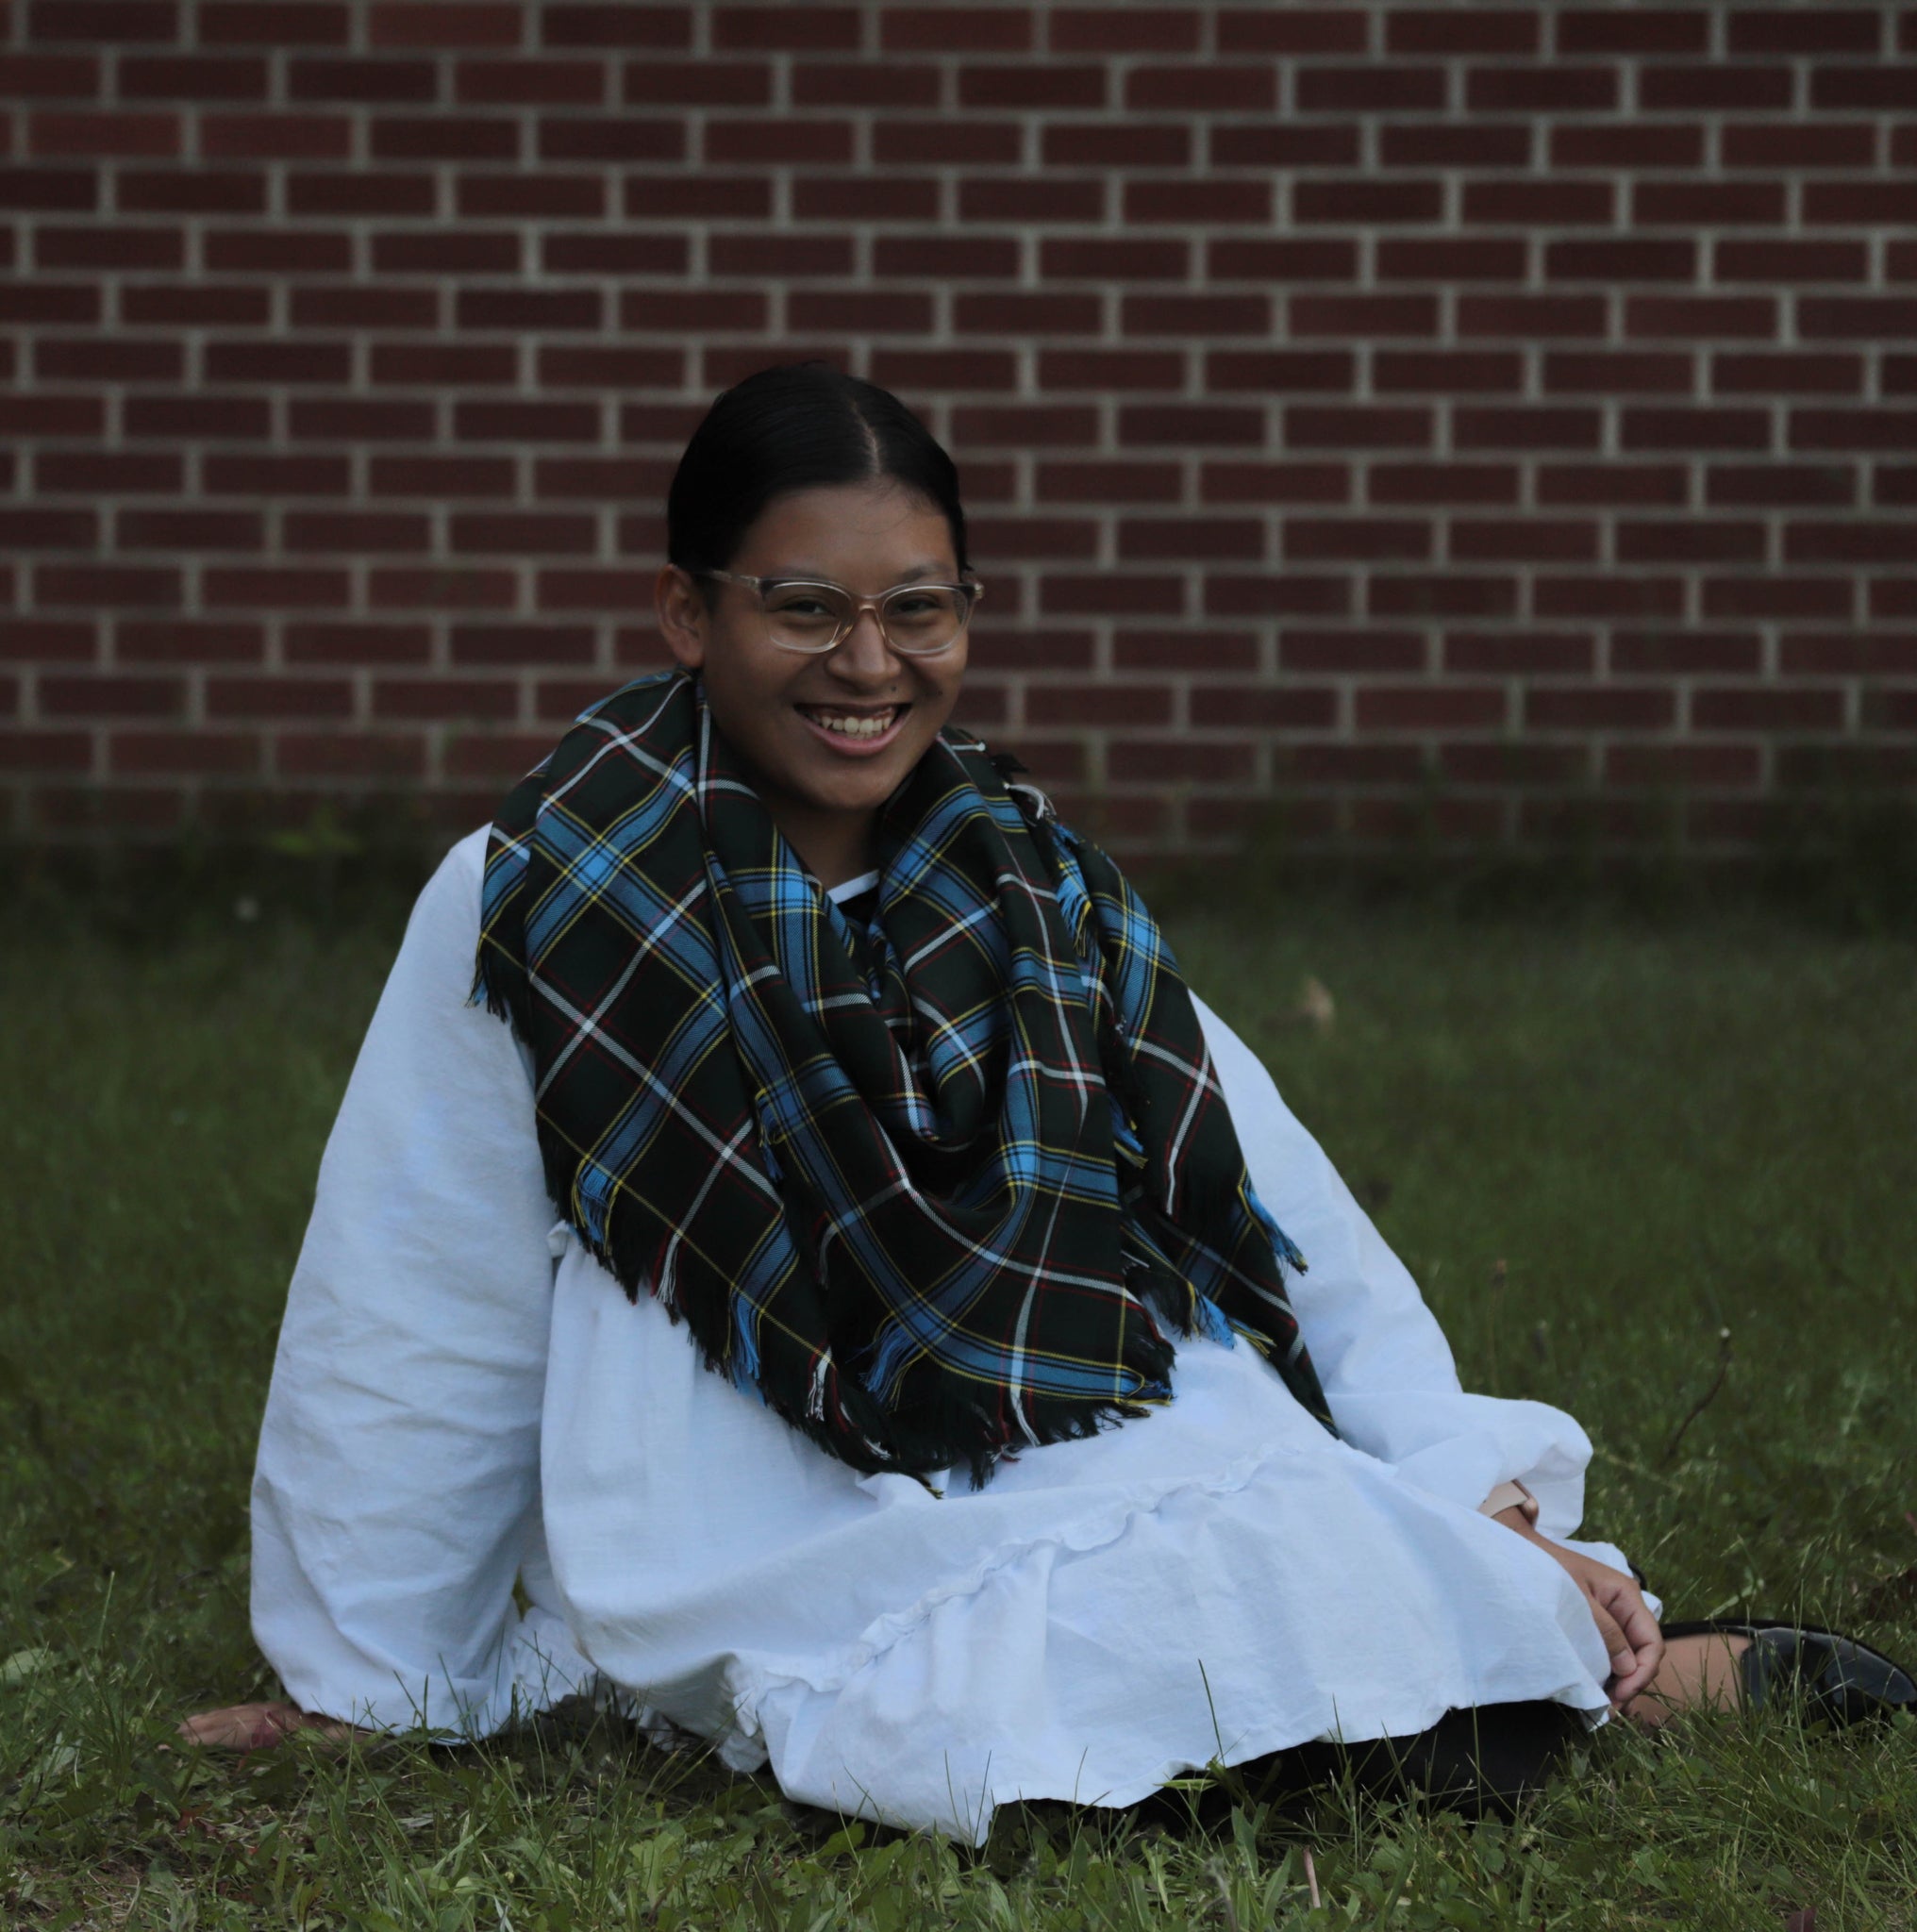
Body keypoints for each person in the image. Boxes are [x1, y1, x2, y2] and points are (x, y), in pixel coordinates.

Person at [182, 365, 1911, 1838]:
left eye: (918, 607)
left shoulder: (1031, 874)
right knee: (965, 1702)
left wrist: (1466, 1477)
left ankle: (1532, 1670)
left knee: (1296, 1551)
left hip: (1080, 1386)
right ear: (686, 611)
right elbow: (417, 1288)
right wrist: (370, 1675)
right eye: (805, 607)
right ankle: (1532, 1713)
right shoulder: (548, 890)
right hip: (776, 1465)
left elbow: (1262, 1192)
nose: (870, 664)